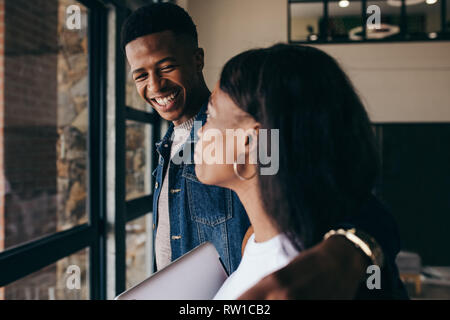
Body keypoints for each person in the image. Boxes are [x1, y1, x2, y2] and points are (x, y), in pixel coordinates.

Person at [121, 3, 407, 298]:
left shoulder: (251, 138)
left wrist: (344, 254)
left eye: (166, 67)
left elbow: (348, 200)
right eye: (140, 75)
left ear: (197, 60)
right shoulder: (168, 147)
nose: (154, 85)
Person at [194, 44, 408, 299]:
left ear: (251, 142)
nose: (200, 130)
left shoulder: (294, 283)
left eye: (210, 114)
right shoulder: (262, 240)